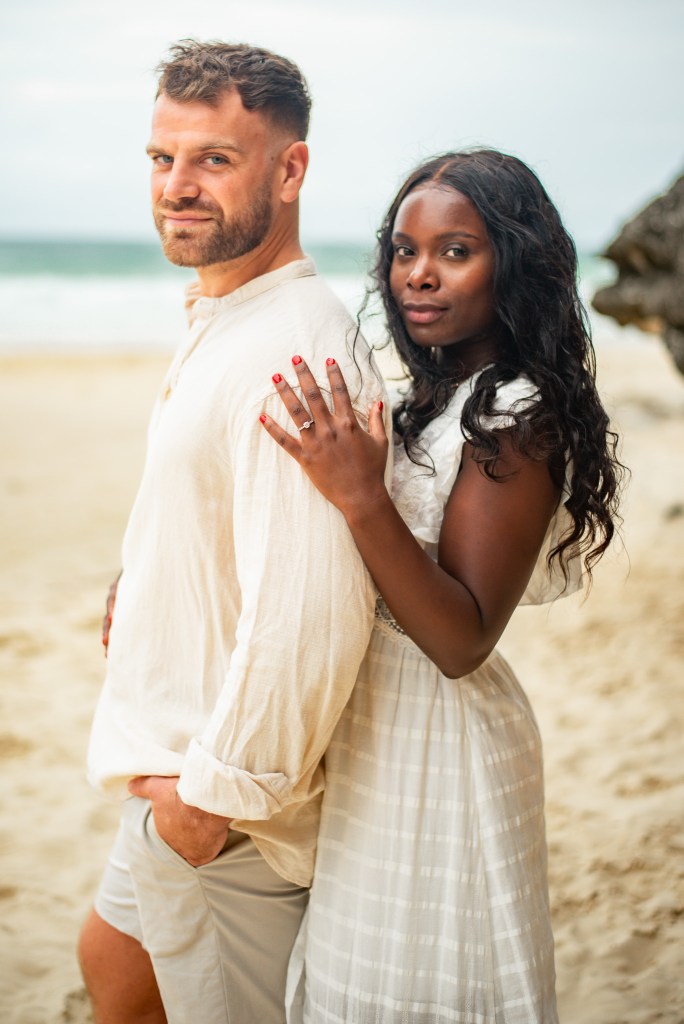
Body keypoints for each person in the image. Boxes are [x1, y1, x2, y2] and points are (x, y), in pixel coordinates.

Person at [260, 149, 624, 1022]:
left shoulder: (517, 417)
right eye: (404, 250)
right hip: (373, 725)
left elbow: (462, 640)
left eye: (455, 252)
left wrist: (359, 494)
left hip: (442, 735)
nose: (418, 275)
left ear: (516, 263)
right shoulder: (431, 399)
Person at [77, 40, 387, 1024]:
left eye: (214, 159)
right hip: (174, 766)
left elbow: (312, 612)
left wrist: (211, 801)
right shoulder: (230, 315)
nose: (177, 186)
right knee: (113, 964)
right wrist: (144, 580)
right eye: (162, 158)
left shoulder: (292, 351)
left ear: (290, 171)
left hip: (222, 805)